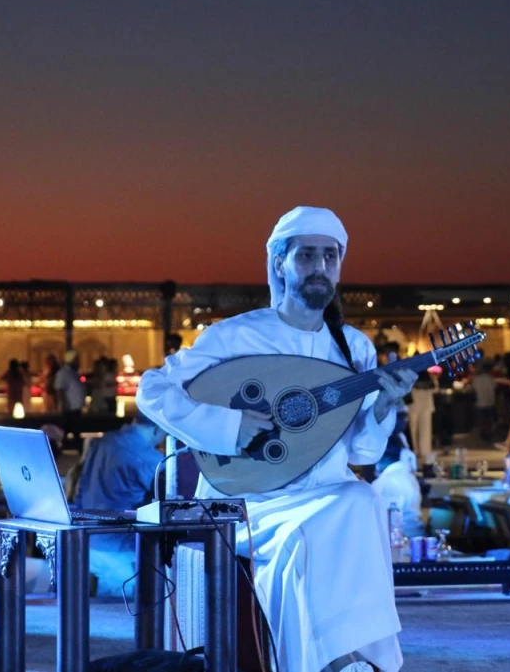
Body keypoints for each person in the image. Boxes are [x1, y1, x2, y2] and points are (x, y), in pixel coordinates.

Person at [137, 206, 417, 672]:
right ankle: (339, 663)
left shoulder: (353, 348)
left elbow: (362, 451)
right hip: (250, 499)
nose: (320, 266)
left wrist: (385, 405)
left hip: (326, 494)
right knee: (331, 520)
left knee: (361, 499)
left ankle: (345, 661)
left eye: (330, 256)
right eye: (306, 255)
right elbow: (153, 389)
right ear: (279, 264)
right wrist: (229, 428)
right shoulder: (236, 337)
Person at [74, 412, 166, 596]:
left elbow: (80, 489)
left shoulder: (100, 443)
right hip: (120, 550)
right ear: (158, 429)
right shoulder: (151, 459)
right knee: (124, 609)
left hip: (87, 541)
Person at [371, 407, 425, 539]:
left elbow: (390, 524)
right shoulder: (405, 474)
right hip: (412, 536)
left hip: (403, 540)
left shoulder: (388, 482)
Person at [55, 350, 86, 446]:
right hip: (69, 409)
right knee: (68, 431)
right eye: (77, 360)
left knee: (74, 431)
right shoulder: (63, 373)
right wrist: (64, 404)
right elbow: (60, 389)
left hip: (75, 409)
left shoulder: (73, 372)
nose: (79, 362)